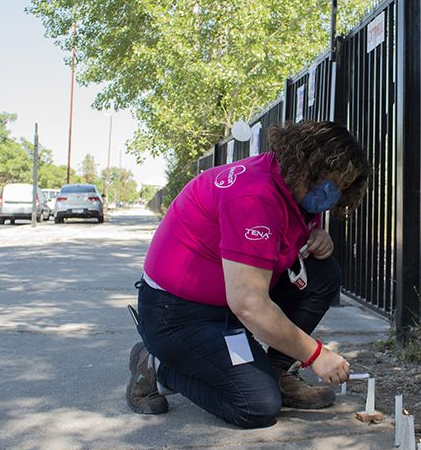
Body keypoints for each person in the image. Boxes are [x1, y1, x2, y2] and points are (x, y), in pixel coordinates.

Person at [126, 121, 371, 429]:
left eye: (339, 188)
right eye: (326, 182)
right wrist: (315, 354)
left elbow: (284, 237)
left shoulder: (294, 186)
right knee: (257, 405)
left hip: (223, 308)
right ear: (305, 163)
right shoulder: (253, 196)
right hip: (178, 315)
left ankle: (275, 370)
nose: (329, 194)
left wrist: (320, 237)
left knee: (322, 273)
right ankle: (158, 363)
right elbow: (249, 304)